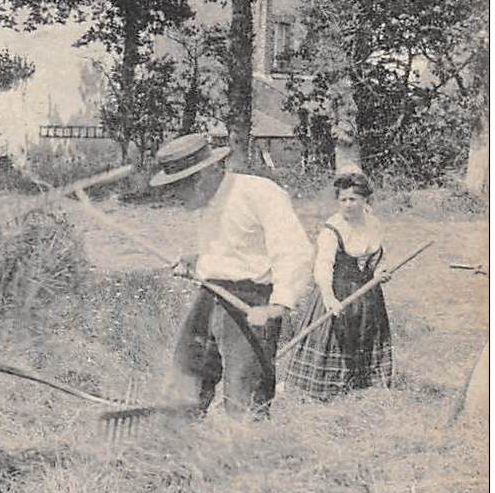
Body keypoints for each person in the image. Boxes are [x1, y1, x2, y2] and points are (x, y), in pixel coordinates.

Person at [150, 132, 312, 417]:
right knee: (187, 375)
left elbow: (293, 250)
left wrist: (277, 305)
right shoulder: (207, 200)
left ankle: (246, 450)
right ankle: (179, 444)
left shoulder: (260, 193)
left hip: (251, 301)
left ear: (204, 175)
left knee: (244, 393)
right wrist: (197, 263)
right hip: (210, 294)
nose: (175, 196)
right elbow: (233, 252)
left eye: (179, 188)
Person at [283, 171, 395, 399]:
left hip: (367, 295)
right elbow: (323, 266)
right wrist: (329, 298)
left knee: (365, 337)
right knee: (333, 340)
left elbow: (377, 259)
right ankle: (324, 388)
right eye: (342, 200)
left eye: (353, 199)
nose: (347, 205)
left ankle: (361, 385)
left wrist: (381, 272)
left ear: (365, 200)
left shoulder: (373, 224)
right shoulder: (332, 229)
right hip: (337, 290)